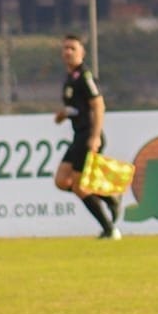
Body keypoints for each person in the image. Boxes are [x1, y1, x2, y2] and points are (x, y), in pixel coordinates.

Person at [53, 33, 122, 240]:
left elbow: (98, 105)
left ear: (82, 52)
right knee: (61, 181)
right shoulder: (69, 78)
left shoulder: (85, 76)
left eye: (73, 48)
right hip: (78, 136)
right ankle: (108, 197)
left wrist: (95, 136)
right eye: (65, 48)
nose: (68, 52)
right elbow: (76, 107)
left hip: (88, 136)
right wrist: (63, 114)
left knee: (79, 186)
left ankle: (110, 229)